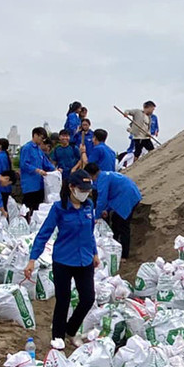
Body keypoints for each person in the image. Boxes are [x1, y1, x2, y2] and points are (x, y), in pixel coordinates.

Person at [25, 170, 100, 346]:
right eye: (82, 189)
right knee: (63, 300)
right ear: (72, 187)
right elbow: (44, 234)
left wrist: (95, 253)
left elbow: (90, 233)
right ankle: (57, 339)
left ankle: (70, 330)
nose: (85, 193)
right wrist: (32, 259)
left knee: (88, 298)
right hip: (63, 261)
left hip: (85, 260)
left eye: (88, 190)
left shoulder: (88, 206)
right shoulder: (59, 208)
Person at [85, 161, 141, 257]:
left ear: (90, 175)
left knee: (123, 225)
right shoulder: (105, 175)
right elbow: (112, 196)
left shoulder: (103, 179)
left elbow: (102, 199)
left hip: (127, 197)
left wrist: (97, 217)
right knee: (115, 220)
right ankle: (114, 243)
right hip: (125, 195)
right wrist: (107, 210)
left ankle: (124, 254)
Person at [18, 126, 56, 212]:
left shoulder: (39, 149)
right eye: (41, 138)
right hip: (30, 184)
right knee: (28, 208)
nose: (42, 141)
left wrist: (55, 170)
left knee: (38, 208)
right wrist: (37, 170)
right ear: (35, 135)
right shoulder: (27, 148)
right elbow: (24, 164)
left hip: (39, 184)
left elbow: (45, 163)